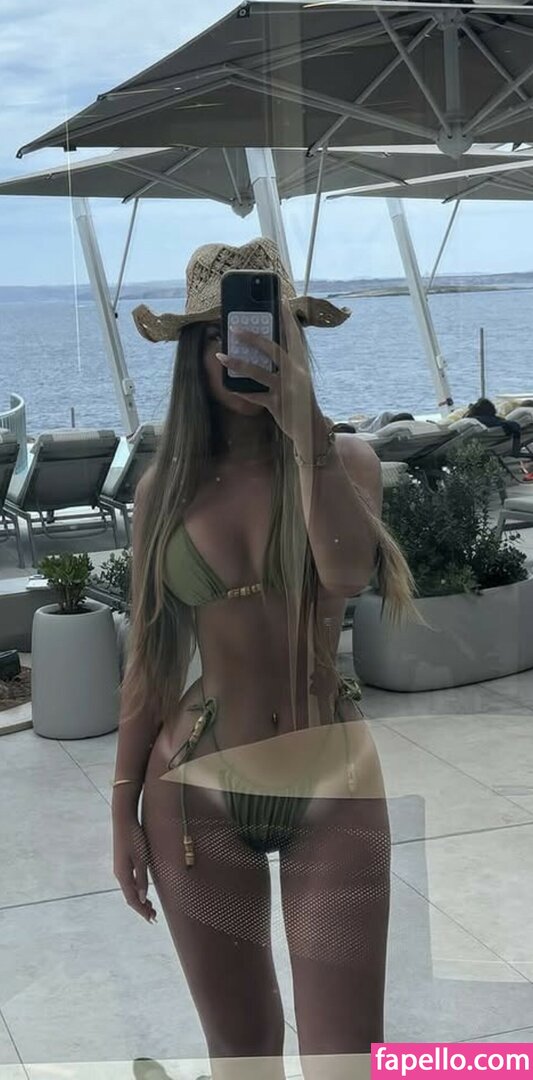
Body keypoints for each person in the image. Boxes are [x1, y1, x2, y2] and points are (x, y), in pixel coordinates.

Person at [111, 238, 414, 1079]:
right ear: (192, 355)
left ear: (291, 342)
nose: (234, 353)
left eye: (256, 331)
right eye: (215, 337)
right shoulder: (163, 490)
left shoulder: (344, 461)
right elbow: (149, 657)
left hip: (331, 782)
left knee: (345, 1057)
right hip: (192, 791)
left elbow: (345, 574)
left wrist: (304, 425)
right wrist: (119, 807)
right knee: (240, 1052)